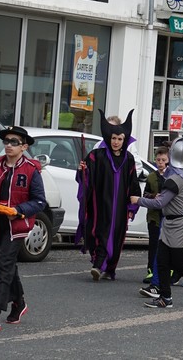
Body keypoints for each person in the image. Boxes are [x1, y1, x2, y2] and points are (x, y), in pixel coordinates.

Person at [0, 126, 46, 331]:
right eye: (6, 141)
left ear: (24, 146)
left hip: (18, 224)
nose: (8, 145)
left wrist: (18, 210)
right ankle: (19, 303)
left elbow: (40, 202)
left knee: (3, 266)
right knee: (7, 264)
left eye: (14, 142)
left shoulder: (31, 170)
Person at [133, 137, 183, 309]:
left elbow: (160, 203)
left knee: (178, 262)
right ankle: (165, 297)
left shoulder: (174, 179)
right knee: (162, 260)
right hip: (174, 222)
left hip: (178, 223)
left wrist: (138, 200)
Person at [76, 110, 142, 281]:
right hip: (100, 204)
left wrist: (131, 207)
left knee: (117, 236)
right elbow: (85, 177)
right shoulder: (96, 156)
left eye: (119, 139)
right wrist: (83, 171)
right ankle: (98, 265)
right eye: (113, 138)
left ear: (124, 140)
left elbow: (133, 183)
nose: (116, 142)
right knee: (99, 232)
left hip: (119, 206)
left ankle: (110, 268)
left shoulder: (128, 159)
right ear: (108, 138)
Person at [141, 147, 168, 285]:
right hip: (154, 217)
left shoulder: (172, 176)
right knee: (153, 245)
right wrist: (153, 196)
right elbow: (145, 194)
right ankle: (151, 271)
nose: (160, 162)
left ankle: (167, 271)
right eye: (158, 160)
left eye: (163, 160)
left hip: (168, 217)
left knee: (167, 246)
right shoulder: (151, 177)